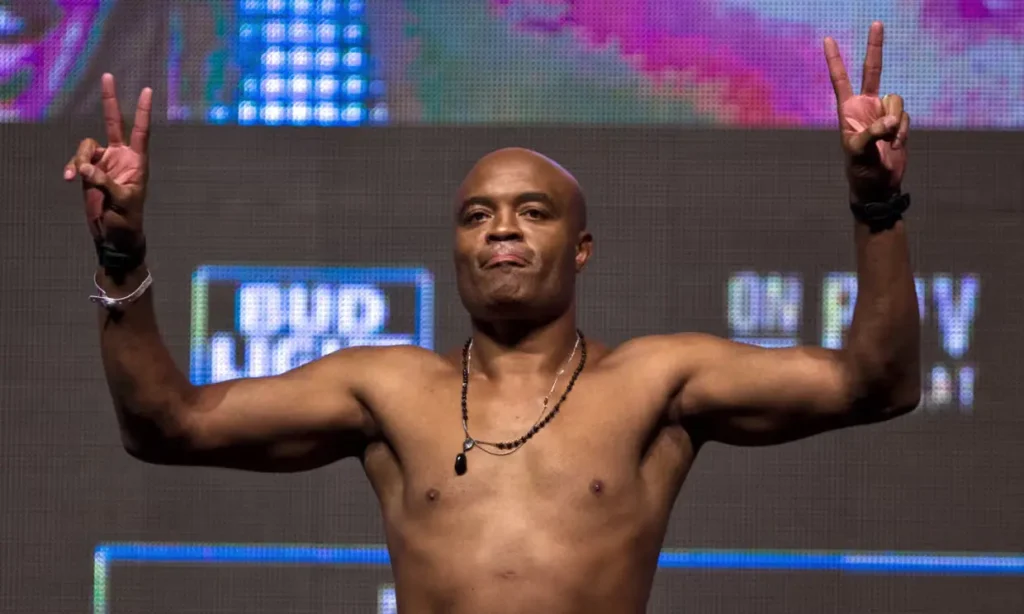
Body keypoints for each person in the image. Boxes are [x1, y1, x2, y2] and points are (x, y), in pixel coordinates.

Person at [64, 22, 919, 614]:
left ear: (581, 248)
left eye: (531, 212)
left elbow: (875, 384)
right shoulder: (388, 390)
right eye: (477, 216)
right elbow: (167, 424)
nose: (501, 229)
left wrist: (875, 206)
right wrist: (121, 254)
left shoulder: (657, 383)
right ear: (456, 247)